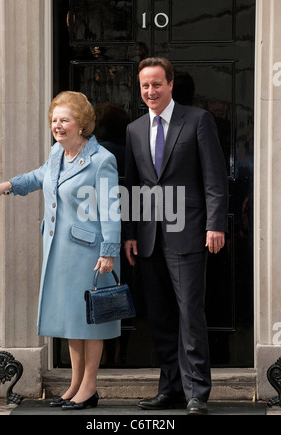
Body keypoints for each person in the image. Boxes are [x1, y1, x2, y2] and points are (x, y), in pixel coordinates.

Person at [0, 91, 121, 411]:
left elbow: (112, 210)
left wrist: (109, 251)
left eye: (65, 120)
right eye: (54, 120)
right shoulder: (58, 153)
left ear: (81, 124)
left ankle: (89, 387)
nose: (58, 126)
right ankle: (75, 383)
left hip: (90, 254)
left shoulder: (102, 160)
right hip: (60, 251)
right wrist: (9, 185)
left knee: (91, 322)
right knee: (72, 321)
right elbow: (38, 177)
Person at [124, 58, 228, 415]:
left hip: (189, 233)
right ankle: (170, 389)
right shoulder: (135, 129)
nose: (150, 91)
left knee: (190, 314)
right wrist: (131, 233)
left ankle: (197, 391)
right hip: (149, 237)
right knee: (161, 317)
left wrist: (216, 224)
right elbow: (133, 186)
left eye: (156, 84)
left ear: (170, 85)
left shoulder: (197, 120)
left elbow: (214, 177)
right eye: (144, 87)